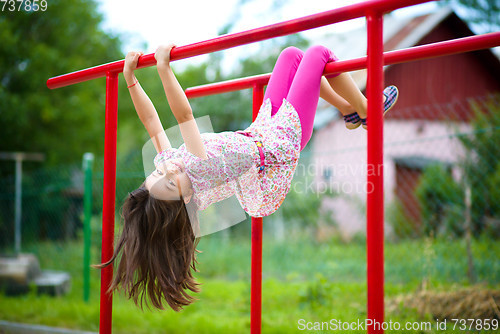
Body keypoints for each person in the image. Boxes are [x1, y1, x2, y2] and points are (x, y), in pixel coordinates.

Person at [96, 44, 398, 311]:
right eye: (171, 181)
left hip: (260, 130)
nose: (169, 169)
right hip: (282, 141)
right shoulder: (202, 170)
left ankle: (349, 110)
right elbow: (184, 116)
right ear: (187, 199)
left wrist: (131, 80)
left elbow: (152, 123)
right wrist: (164, 67)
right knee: (319, 54)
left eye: (158, 173)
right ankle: (367, 110)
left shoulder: (171, 164)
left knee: (291, 56)